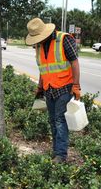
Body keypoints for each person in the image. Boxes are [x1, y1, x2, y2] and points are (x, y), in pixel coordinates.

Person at [26, 18, 81, 163]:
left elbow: (74, 62)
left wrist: (76, 85)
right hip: (48, 89)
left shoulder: (64, 40)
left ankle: (61, 155)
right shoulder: (39, 45)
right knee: (52, 120)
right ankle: (57, 150)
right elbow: (44, 69)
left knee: (59, 120)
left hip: (65, 87)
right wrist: (39, 87)